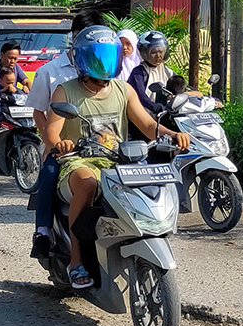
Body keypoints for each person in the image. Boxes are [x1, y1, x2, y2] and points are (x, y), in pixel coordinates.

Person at [43, 26, 190, 289]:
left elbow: (147, 125)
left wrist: (173, 135)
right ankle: (76, 262)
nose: (104, 63)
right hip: (78, 162)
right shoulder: (65, 92)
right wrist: (61, 143)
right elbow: (51, 131)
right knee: (88, 184)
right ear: (84, 58)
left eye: (108, 56)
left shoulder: (124, 90)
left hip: (117, 161)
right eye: (98, 56)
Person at [27, 9, 105, 259]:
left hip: (100, 145)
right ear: (73, 36)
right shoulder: (50, 71)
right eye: (83, 34)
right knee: (49, 173)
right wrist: (53, 142)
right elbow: (39, 112)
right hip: (65, 146)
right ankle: (43, 232)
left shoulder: (104, 69)